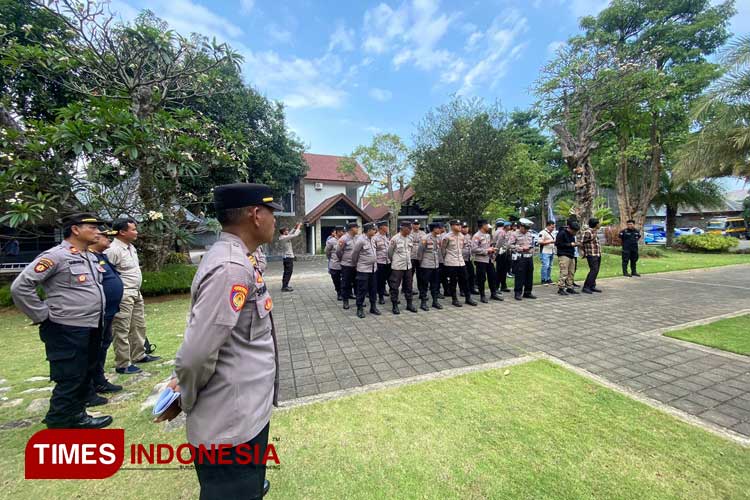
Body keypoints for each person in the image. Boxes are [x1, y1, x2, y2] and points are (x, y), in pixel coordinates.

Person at [161, 183, 281, 500]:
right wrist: (185, 395)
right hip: (230, 422)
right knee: (231, 490)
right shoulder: (231, 267)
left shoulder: (239, 258)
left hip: (244, 410)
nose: (274, 221)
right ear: (256, 215)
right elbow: (195, 355)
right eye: (272, 212)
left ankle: (249, 485)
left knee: (245, 484)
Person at [10, 213, 113, 429]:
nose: (98, 232)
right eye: (92, 227)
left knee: (84, 372)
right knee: (70, 376)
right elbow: (21, 287)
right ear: (75, 229)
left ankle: (75, 415)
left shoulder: (90, 256)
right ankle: (60, 420)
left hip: (91, 324)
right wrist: (42, 315)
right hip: (66, 327)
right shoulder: (55, 256)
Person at [106, 218, 159, 375]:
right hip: (123, 293)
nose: (136, 232)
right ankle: (123, 363)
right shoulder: (113, 250)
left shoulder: (131, 247)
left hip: (135, 291)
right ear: (122, 232)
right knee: (122, 328)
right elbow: (108, 273)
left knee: (138, 324)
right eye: (133, 229)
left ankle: (139, 354)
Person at [87, 230, 124, 404]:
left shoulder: (100, 256)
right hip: (95, 314)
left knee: (102, 345)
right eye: (103, 235)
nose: (107, 238)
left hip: (108, 311)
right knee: (93, 349)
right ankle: (90, 385)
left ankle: (99, 380)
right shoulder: (87, 257)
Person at [441, 220, 477, 307]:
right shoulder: (447, 237)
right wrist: (447, 259)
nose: (459, 226)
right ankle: (454, 299)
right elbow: (443, 250)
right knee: (453, 281)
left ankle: (468, 298)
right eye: (457, 225)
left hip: (461, 261)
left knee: (465, 279)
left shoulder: (461, 236)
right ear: (452, 226)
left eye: (460, 225)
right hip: (451, 262)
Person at [352, 223, 380, 318]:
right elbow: (354, 254)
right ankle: (359, 308)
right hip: (363, 269)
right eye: (373, 229)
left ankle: (373, 307)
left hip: (373, 269)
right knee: (362, 289)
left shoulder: (373, 239)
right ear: (368, 230)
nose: (375, 231)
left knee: (373, 289)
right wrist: (356, 265)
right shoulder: (360, 240)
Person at [387, 221, 415, 314]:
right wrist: (394, 261)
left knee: (409, 286)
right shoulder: (395, 239)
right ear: (403, 228)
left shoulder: (410, 238)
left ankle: (409, 304)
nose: (411, 230)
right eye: (409, 228)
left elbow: (410, 251)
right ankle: (395, 305)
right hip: (397, 267)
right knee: (395, 287)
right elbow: (390, 253)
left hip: (408, 266)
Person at [472, 220, 502, 303]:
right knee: (481, 279)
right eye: (487, 225)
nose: (488, 227)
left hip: (489, 260)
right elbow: (474, 249)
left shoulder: (488, 235)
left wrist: (492, 250)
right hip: (480, 260)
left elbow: (490, 246)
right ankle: (482, 296)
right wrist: (486, 250)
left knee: (492, 277)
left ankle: (493, 294)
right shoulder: (476, 236)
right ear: (482, 226)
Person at [508, 218, 537, 300]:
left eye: (528, 228)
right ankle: (518, 292)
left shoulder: (529, 234)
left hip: (529, 257)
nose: (526, 230)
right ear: (520, 226)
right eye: (525, 228)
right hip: (520, 257)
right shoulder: (514, 234)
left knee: (529, 275)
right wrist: (521, 248)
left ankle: (528, 292)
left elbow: (532, 244)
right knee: (520, 276)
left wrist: (530, 249)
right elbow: (510, 245)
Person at [417, 222, 443, 310]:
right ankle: (423, 303)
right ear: (434, 229)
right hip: (426, 265)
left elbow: (438, 251)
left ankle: (435, 302)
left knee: (435, 284)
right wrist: (421, 263)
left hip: (435, 265)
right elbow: (420, 251)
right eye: (439, 228)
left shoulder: (438, 238)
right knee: (424, 284)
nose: (440, 229)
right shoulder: (425, 238)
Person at [337, 222, 359, 310]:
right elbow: (338, 251)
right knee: (346, 284)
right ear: (351, 229)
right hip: (347, 265)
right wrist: (343, 259)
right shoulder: (343, 239)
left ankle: (359, 301)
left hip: (356, 265)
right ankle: (345, 301)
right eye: (356, 228)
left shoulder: (358, 238)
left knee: (357, 283)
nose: (357, 229)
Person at [556, 220, 580, 296]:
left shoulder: (572, 234)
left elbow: (572, 243)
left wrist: (576, 244)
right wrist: (570, 244)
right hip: (563, 255)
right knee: (564, 272)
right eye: (574, 231)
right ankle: (561, 288)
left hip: (571, 254)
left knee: (571, 272)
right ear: (569, 228)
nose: (574, 233)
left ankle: (570, 287)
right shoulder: (562, 233)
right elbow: (558, 244)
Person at [581, 218, 603, 294]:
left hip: (597, 253)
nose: (599, 225)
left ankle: (592, 286)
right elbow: (583, 242)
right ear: (595, 224)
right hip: (591, 254)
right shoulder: (588, 232)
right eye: (598, 223)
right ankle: (586, 287)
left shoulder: (595, 231)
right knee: (594, 270)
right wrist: (584, 252)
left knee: (596, 270)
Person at [278, 223, 302, 292]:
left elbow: (290, 234)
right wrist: (299, 227)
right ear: (284, 232)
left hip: (287, 258)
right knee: (288, 272)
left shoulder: (283, 237)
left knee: (287, 272)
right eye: (286, 230)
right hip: (288, 258)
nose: (288, 231)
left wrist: (295, 227)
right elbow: (294, 235)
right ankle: (284, 287)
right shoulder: (284, 238)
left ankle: (285, 285)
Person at [373, 221, 391, 305]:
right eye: (386, 226)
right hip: (380, 262)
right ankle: (380, 297)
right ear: (381, 227)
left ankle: (391, 295)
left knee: (390, 280)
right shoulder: (375, 238)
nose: (387, 228)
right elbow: (373, 251)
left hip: (388, 262)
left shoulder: (387, 237)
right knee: (380, 281)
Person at [325, 226, 344, 300]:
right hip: (335, 264)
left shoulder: (345, 240)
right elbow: (327, 252)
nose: (343, 233)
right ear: (338, 232)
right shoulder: (331, 241)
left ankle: (346, 293)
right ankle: (339, 293)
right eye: (342, 231)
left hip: (344, 263)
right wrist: (331, 258)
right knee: (336, 280)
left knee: (345, 280)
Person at [493, 220, 512, 292]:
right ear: (505, 226)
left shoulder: (502, 232)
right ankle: (497, 286)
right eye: (509, 226)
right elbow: (499, 244)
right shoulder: (501, 232)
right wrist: (496, 254)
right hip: (501, 253)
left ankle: (503, 286)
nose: (510, 227)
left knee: (504, 270)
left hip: (504, 253)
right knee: (500, 271)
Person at [460, 222, 478, 295]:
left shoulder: (469, 236)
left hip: (469, 258)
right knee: (463, 275)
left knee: (471, 274)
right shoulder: (459, 236)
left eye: (466, 227)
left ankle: (471, 288)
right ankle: (462, 290)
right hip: (462, 259)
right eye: (463, 227)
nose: (465, 229)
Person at [409, 220, 426, 290]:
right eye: (415, 224)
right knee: (410, 275)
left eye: (417, 224)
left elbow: (425, 244)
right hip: (411, 256)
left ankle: (421, 289)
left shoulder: (423, 233)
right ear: (412, 225)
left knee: (420, 274)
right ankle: (408, 289)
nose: (416, 225)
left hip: (420, 257)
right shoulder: (409, 233)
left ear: (419, 225)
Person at [538, 220, 556, 285]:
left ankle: (548, 278)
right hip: (545, 251)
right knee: (545, 265)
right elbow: (540, 242)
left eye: (553, 227)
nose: (553, 229)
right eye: (552, 227)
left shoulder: (553, 233)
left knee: (550, 266)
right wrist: (550, 242)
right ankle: (543, 279)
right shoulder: (542, 232)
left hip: (551, 251)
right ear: (548, 226)